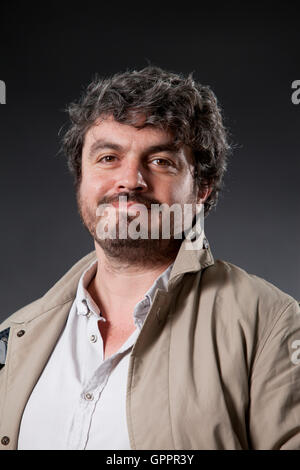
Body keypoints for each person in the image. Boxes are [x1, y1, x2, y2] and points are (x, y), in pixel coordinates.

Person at [0, 66, 299, 450]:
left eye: (160, 161)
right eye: (108, 157)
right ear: (81, 178)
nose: (130, 180)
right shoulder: (16, 338)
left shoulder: (269, 323)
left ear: (201, 190)